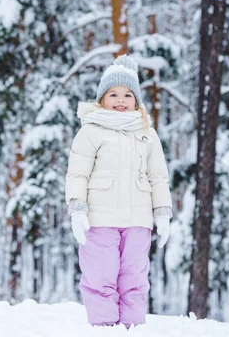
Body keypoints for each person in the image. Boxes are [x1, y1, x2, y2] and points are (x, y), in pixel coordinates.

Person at [65, 54, 173, 328]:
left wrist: (162, 212)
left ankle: (133, 329)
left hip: (138, 222)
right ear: (102, 98)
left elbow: (158, 177)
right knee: (100, 277)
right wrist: (77, 209)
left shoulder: (147, 133)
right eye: (113, 94)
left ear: (136, 100)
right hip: (100, 221)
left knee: (134, 280)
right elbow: (77, 174)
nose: (121, 100)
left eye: (127, 94)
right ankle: (104, 330)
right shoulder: (90, 131)